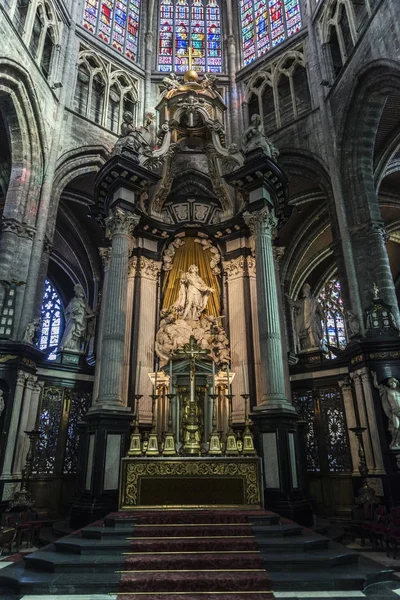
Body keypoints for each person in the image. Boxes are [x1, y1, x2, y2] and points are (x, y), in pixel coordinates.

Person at [59, 284, 95, 352]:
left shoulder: (84, 303)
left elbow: (90, 312)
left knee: (78, 336)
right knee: (70, 332)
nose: (81, 294)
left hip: (81, 322)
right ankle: (63, 346)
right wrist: (75, 312)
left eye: (82, 292)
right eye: (80, 292)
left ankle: (75, 347)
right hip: (74, 320)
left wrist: (94, 313)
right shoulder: (73, 301)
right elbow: (67, 311)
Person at [289, 283, 324, 352]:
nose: (304, 293)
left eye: (306, 291)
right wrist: (288, 298)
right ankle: (308, 345)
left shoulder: (313, 301)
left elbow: (319, 309)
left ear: (308, 292)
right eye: (304, 291)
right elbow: (294, 304)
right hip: (305, 320)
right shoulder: (302, 302)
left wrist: (322, 316)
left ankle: (315, 344)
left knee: (312, 331)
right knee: (306, 333)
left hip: (312, 320)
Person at [373, 372, 400, 449]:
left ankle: (397, 443)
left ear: (396, 382)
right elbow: (377, 386)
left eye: (392, 382)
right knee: (396, 427)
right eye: (390, 383)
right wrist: (374, 377)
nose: (391, 384)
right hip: (394, 411)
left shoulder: (399, 391)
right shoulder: (387, 390)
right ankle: (395, 443)